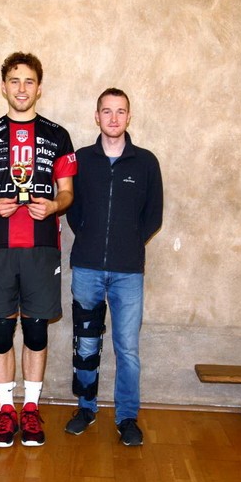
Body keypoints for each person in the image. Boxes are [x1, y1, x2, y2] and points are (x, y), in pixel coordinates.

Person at [0, 52, 76, 447]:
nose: (22, 88)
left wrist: (55, 206)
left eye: (29, 81)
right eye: (14, 80)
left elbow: (67, 193)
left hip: (42, 248)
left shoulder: (58, 135)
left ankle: (30, 408)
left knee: (35, 328)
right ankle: (5, 410)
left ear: (39, 88)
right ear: (3, 87)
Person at [64, 88, 163, 446]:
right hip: (87, 268)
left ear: (129, 116)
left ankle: (127, 417)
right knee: (86, 343)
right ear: (97, 116)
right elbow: (71, 209)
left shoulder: (146, 162)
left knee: (127, 349)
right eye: (107, 111)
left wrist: (128, 243)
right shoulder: (81, 160)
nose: (114, 118)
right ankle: (85, 408)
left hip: (128, 272)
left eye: (120, 111)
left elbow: (153, 216)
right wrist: (90, 237)